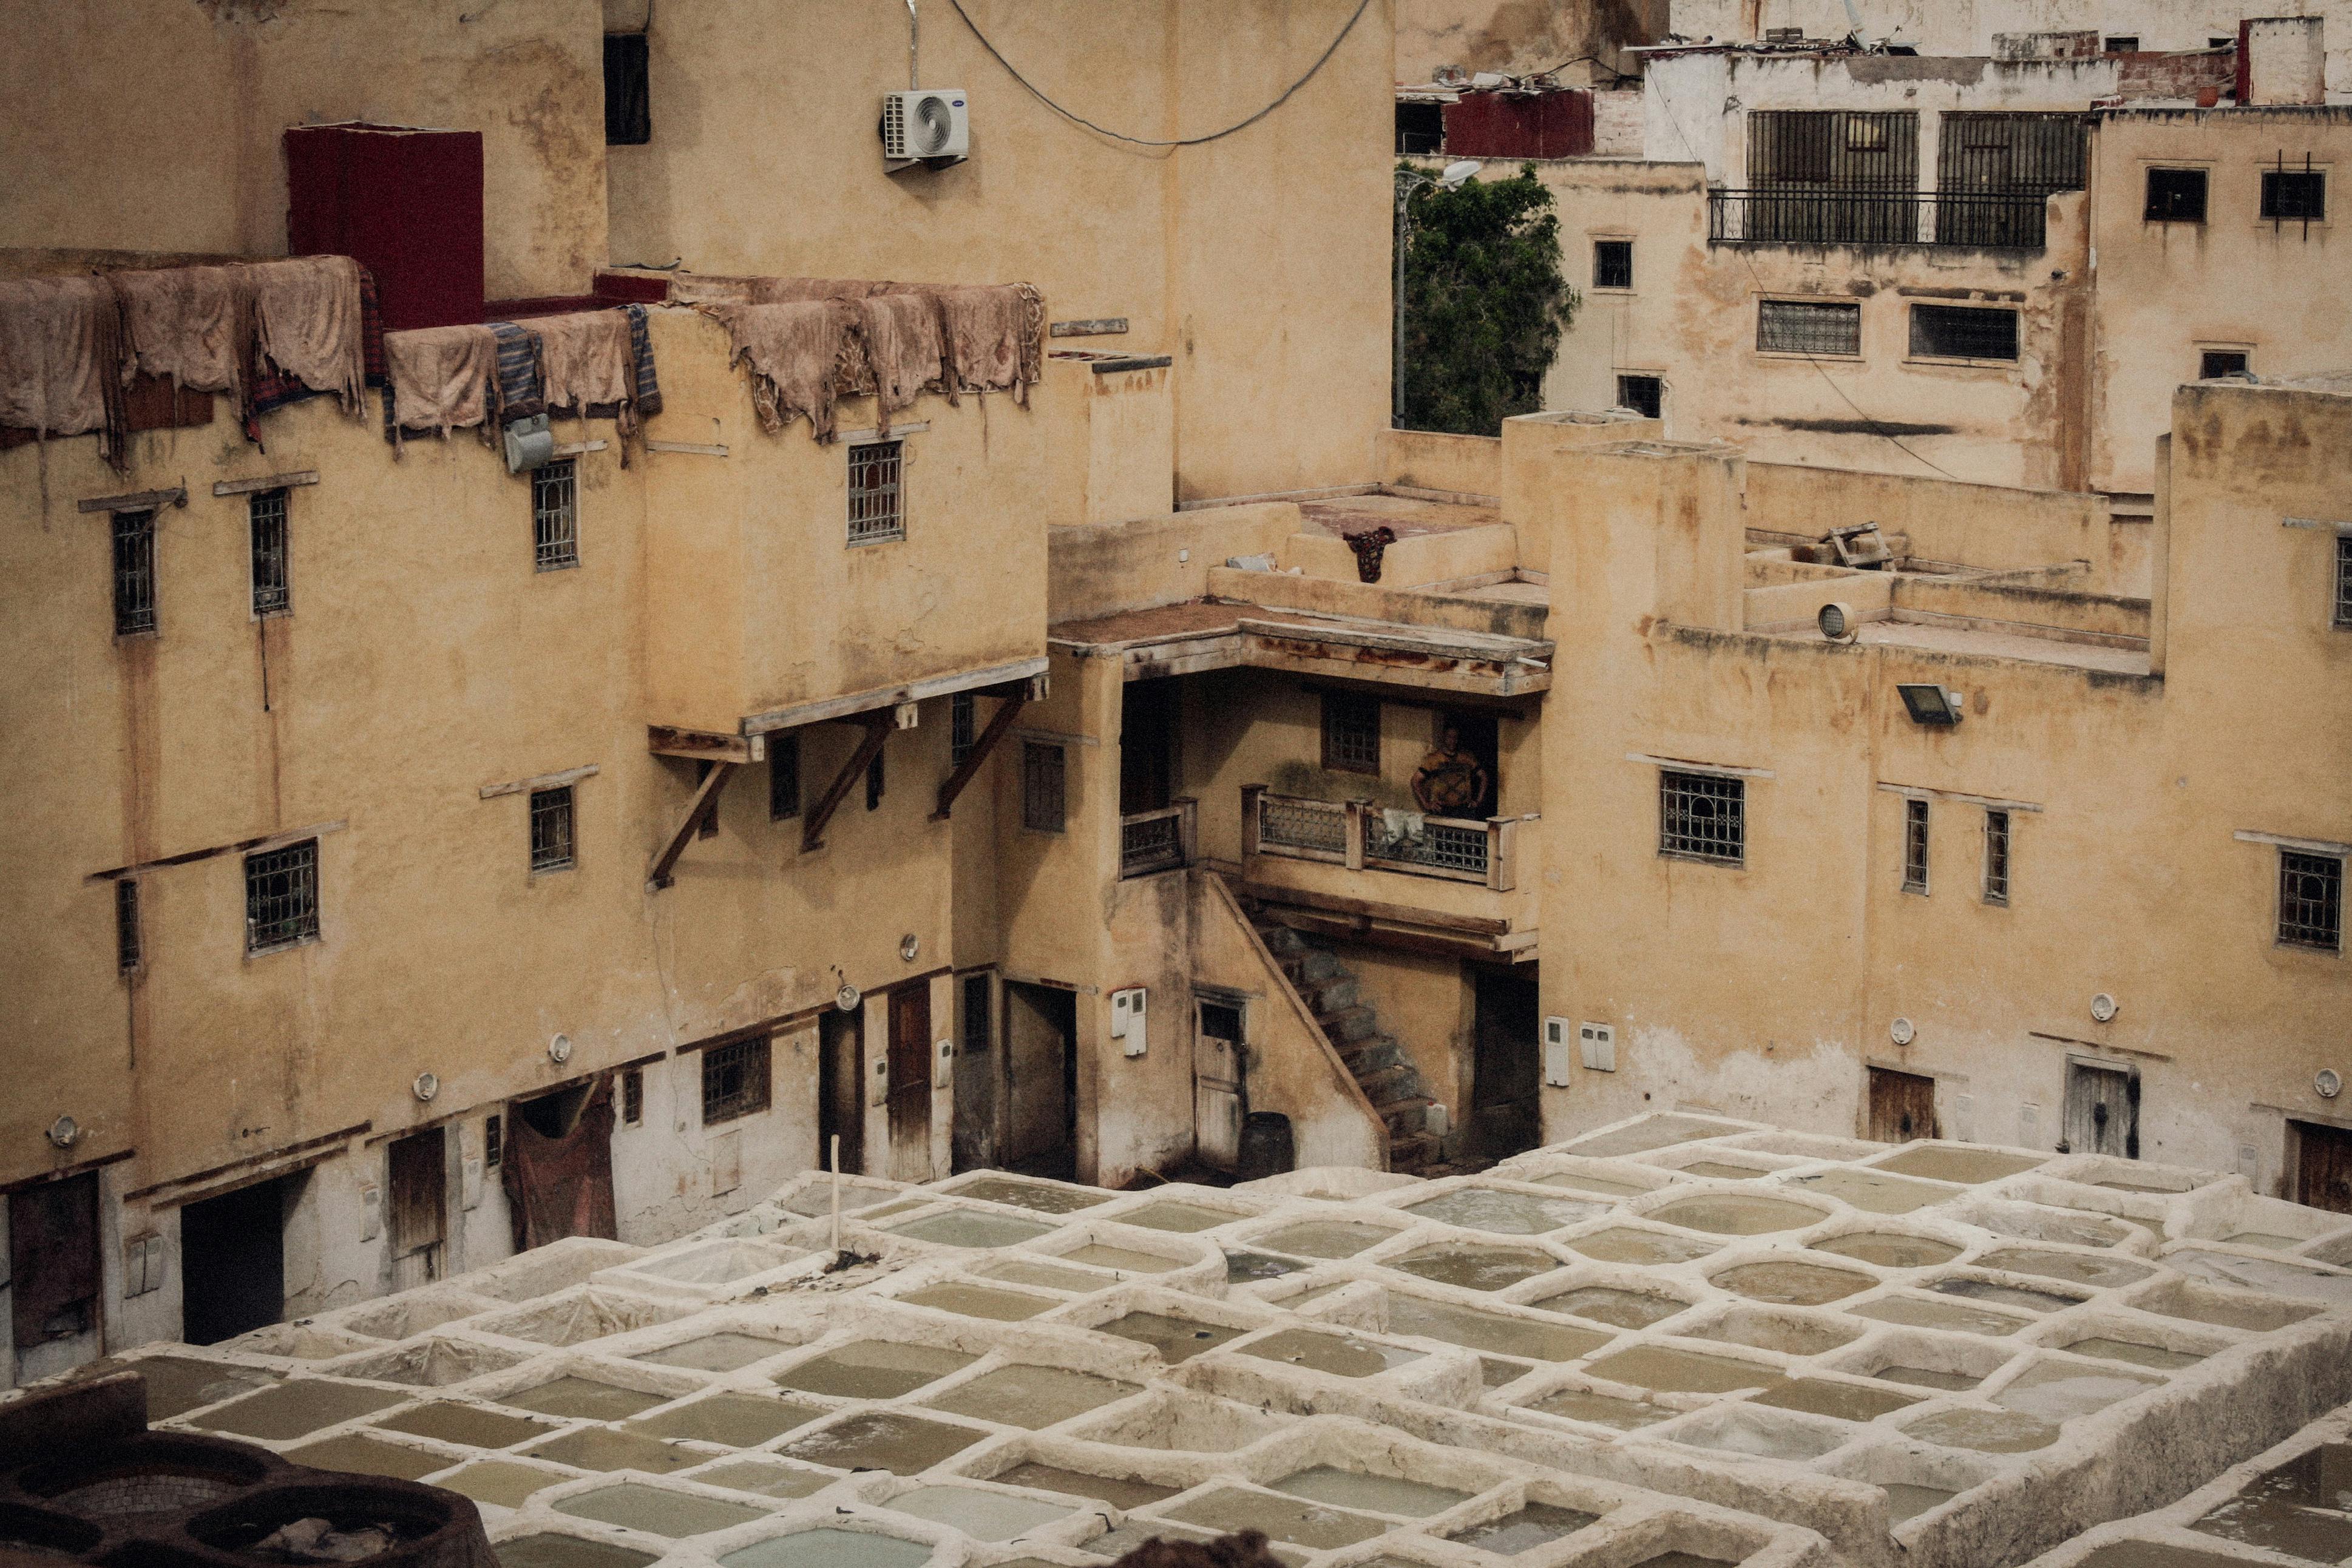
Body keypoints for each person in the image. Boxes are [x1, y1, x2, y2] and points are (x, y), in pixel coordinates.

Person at [1411, 725, 1489, 816]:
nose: (1452, 741)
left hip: (1464, 809)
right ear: (1444, 738)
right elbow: (1415, 780)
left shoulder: (1467, 758)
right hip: (1442, 809)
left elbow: (1483, 777)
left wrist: (1478, 801)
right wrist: (1426, 804)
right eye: (1449, 737)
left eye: (1455, 737)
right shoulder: (1433, 759)